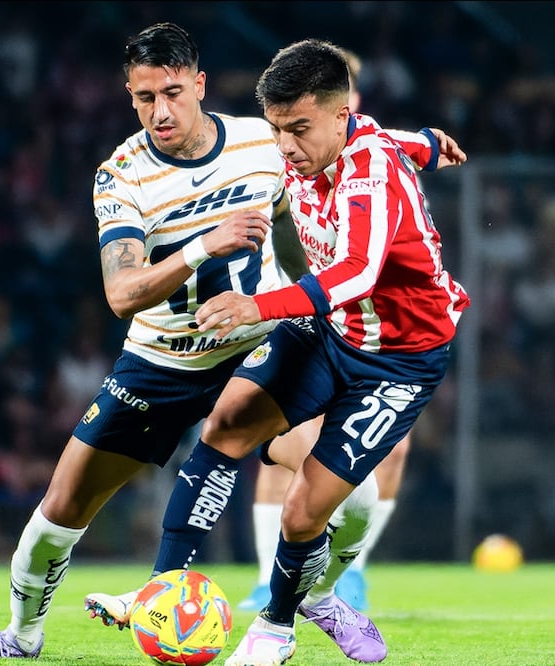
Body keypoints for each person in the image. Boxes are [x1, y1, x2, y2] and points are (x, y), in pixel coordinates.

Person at [0, 23, 462, 660]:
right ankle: (21, 638)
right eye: (143, 97)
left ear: (200, 85)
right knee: (61, 506)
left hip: (261, 332)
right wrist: (201, 246)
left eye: (173, 92)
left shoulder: (260, 139)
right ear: (129, 96)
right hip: (162, 359)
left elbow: (355, 137)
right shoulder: (121, 177)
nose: (160, 111)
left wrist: (427, 144)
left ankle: (303, 593)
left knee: (349, 493)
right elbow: (123, 294)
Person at [89, 38, 468, 666]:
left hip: (398, 359)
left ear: (337, 117)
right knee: (226, 425)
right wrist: (431, 141)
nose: (285, 148)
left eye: (298, 130)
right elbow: (394, 138)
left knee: (301, 515)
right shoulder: (320, 142)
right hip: (332, 332)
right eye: (276, 129)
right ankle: (164, 591)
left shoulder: (368, 177)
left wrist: (255, 307)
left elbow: (354, 274)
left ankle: (279, 625)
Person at [238, 46, 413, 613]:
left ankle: (348, 573)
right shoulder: (286, 153)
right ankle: (271, 577)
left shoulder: (368, 159)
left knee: (390, 447)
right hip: (295, 309)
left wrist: (432, 145)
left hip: (358, 321)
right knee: (289, 439)